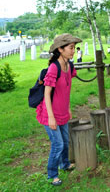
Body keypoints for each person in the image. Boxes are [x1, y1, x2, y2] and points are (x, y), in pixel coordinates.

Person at [36, 33, 82, 186]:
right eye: (70, 48)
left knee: (65, 141)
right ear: (60, 49)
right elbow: (47, 94)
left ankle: (65, 164)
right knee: (58, 144)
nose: (73, 50)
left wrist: (67, 108)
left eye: (74, 48)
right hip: (49, 113)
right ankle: (52, 174)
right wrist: (51, 117)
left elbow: (66, 90)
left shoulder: (69, 65)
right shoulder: (53, 68)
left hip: (62, 112)